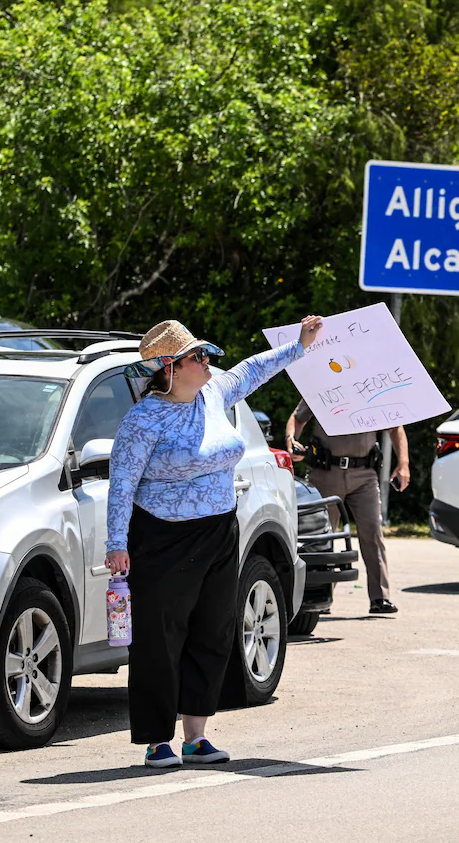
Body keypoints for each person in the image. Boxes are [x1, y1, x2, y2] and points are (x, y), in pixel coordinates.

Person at [105, 315, 323, 769]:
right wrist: (116, 542)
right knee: (158, 640)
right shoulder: (143, 420)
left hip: (220, 530)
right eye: (197, 356)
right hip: (161, 535)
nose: (207, 361)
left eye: (206, 354)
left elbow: (250, 370)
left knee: (212, 632)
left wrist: (298, 345)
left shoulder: (212, 392)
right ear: (169, 368)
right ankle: (156, 741)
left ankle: (197, 737)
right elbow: (121, 484)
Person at [285, 400, 408, 615]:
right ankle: (320, 596)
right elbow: (297, 418)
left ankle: (381, 598)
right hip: (326, 472)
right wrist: (291, 440)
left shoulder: (370, 389)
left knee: (373, 532)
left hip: (365, 474)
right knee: (323, 536)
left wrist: (403, 464)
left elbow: (395, 426)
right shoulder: (323, 388)